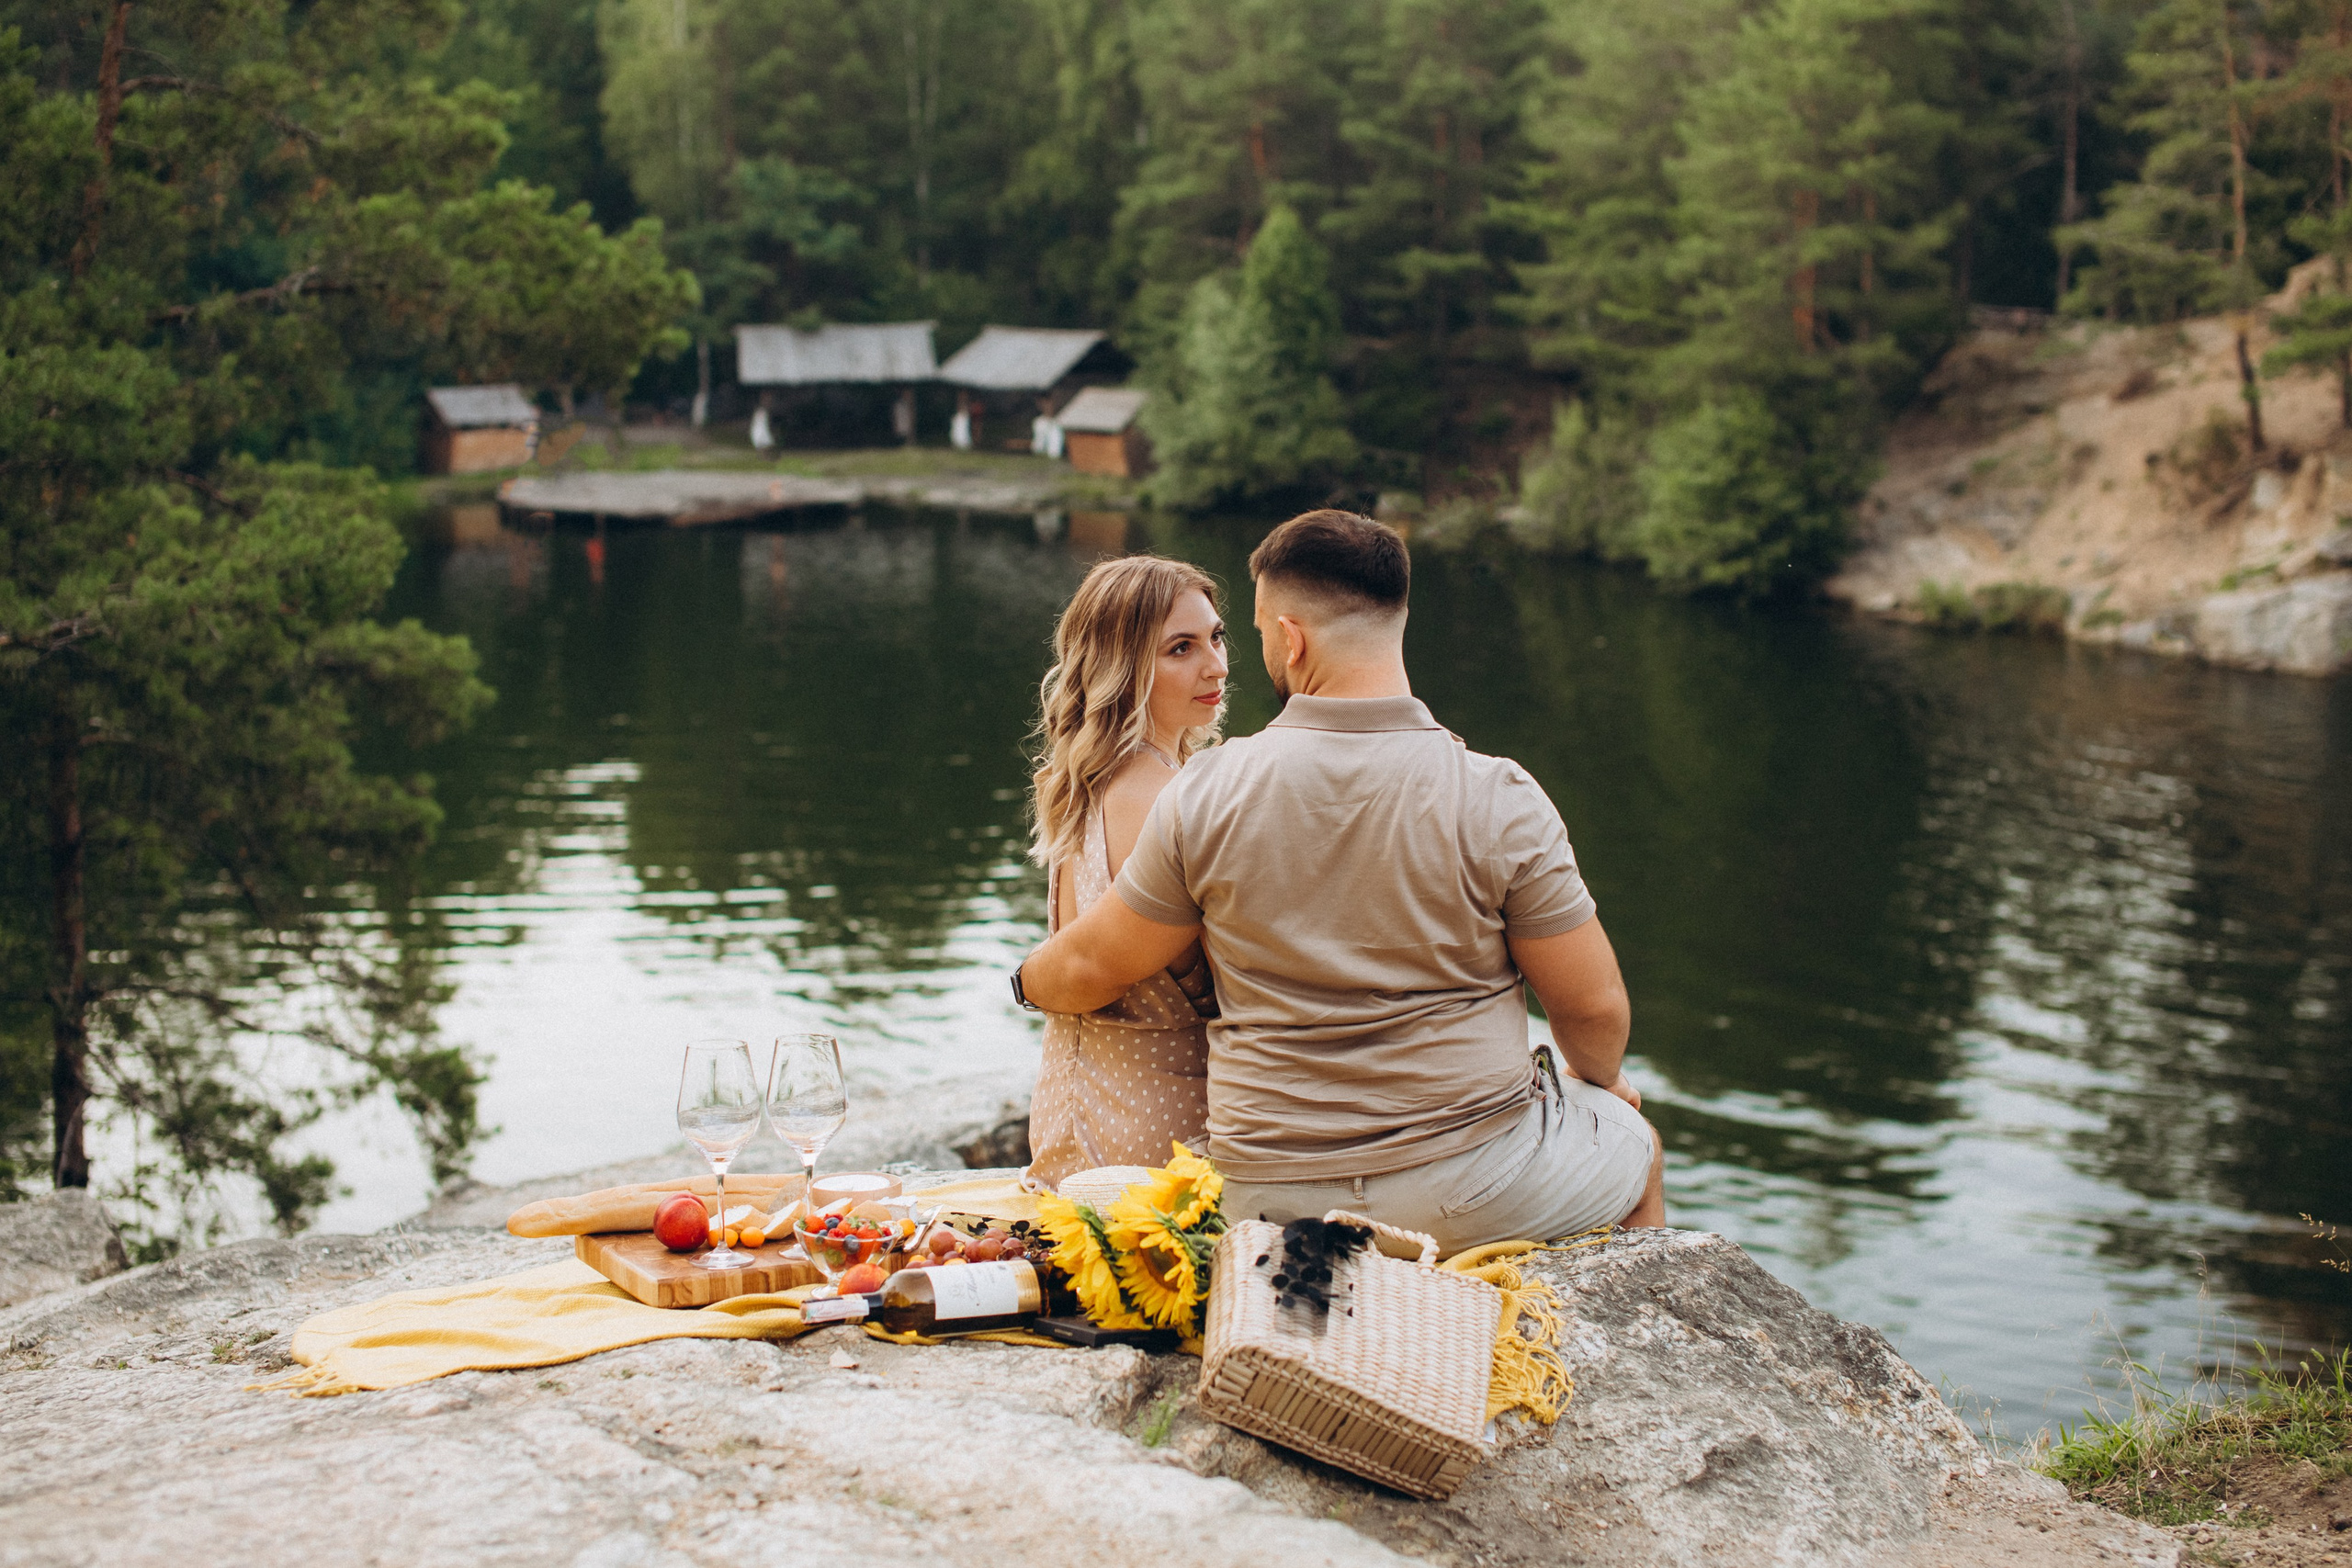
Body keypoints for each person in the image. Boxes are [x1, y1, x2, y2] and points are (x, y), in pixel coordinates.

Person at [1013, 511, 1663, 1252]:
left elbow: (1098, 959)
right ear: (1400, 616)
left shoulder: (1206, 790)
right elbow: (1594, 1005)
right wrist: (1594, 1081)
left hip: (1263, 1193)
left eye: (1242, 632)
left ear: (1290, 637)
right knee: (1634, 1138)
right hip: (1465, 1190)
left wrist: (1019, 983)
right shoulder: (1500, 794)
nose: (1230, 659)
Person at [1017, 556, 1227, 1190]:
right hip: (1157, 1142)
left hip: (1075, 1114)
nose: (1215, 665)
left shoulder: (1086, 782)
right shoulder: (1165, 796)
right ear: (1123, 665)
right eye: (1181, 648)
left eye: (1216, 637)